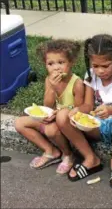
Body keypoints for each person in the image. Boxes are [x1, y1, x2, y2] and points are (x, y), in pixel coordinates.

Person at [57, 34, 112, 187]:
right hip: (99, 124)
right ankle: (91, 158)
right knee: (63, 116)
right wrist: (77, 110)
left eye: (105, 65)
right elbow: (88, 106)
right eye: (95, 66)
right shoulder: (90, 75)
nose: (100, 71)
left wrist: (110, 110)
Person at [15, 39, 85, 174]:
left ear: (71, 62)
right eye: (50, 64)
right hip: (53, 117)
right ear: (45, 65)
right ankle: (50, 150)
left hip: (67, 122)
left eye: (61, 62)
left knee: (51, 131)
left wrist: (58, 114)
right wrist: (52, 88)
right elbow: (47, 105)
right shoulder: (49, 80)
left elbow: (78, 110)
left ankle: (68, 154)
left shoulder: (77, 83)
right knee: (19, 123)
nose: (56, 67)